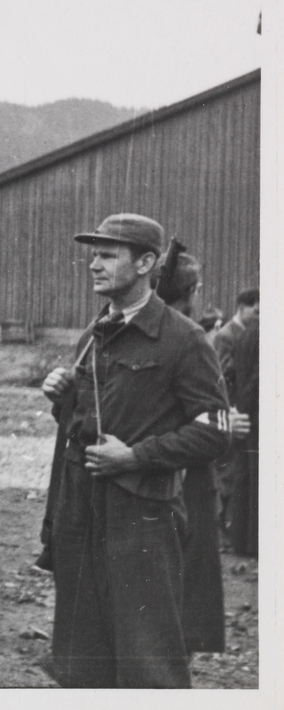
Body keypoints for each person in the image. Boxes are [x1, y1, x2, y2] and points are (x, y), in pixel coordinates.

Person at [41, 213, 229, 688]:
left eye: (108, 255)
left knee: (148, 659)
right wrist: (61, 398)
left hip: (142, 517)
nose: (93, 265)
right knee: (83, 655)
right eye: (93, 254)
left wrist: (137, 457)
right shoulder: (94, 334)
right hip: (81, 512)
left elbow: (215, 431)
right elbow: (86, 421)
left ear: (146, 262)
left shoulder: (184, 339)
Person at [152, 251, 234, 653]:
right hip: (182, 484)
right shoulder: (191, 338)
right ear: (193, 292)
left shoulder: (175, 335)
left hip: (169, 479)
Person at [225, 313, 258, 557]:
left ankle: (241, 540)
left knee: (244, 476)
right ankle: (255, 544)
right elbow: (259, 378)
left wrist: (236, 408)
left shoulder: (246, 331)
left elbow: (231, 372)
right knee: (257, 480)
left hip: (244, 415)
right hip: (256, 415)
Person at [211, 288, 258, 375]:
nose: (259, 317)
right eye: (256, 312)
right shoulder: (225, 335)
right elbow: (222, 372)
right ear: (242, 308)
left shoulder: (253, 333)